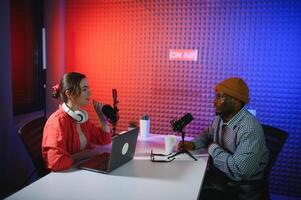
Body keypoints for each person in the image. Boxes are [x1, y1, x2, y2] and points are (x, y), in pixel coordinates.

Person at [180, 77, 269, 200]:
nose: (214, 102)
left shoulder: (249, 129)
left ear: (235, 101)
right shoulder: (220, 118)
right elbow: (207, 135)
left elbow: (238, 171)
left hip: (239, 190)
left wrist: (212, 148)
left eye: (219, 97)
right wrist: (193, 144)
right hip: (220, 178)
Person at [42, 72, 112, 172]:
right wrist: (84, 154)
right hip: (65, 176)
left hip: (80, 169)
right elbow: (55, 162)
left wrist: (101, 118)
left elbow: (105, 139)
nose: (89, 92)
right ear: (69, 94)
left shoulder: (81, 118)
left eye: (88, 88)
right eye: (84, 89)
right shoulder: (57, 122)